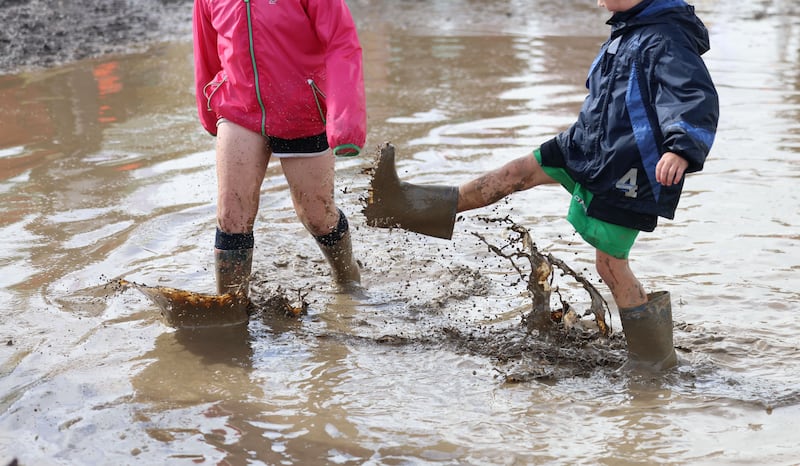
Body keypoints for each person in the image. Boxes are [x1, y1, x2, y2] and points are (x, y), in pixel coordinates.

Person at [364, 0, 719, 371]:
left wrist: (681, 149)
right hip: (586, 146)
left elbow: (694, 96)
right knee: (513, 174)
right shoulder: (629, 29)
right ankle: (402, 206)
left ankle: (653, 363)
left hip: (628, 168)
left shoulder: (667, 37)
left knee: (610, 266)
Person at [193, 0, 366, 303]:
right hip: (238, 108)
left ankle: (347, 280)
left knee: (317, 216)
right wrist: (209, 114)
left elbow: (342, 42)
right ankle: (230, 310)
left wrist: (345, 121)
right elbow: (205, 51)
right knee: (231, 215)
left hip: (302, 108)